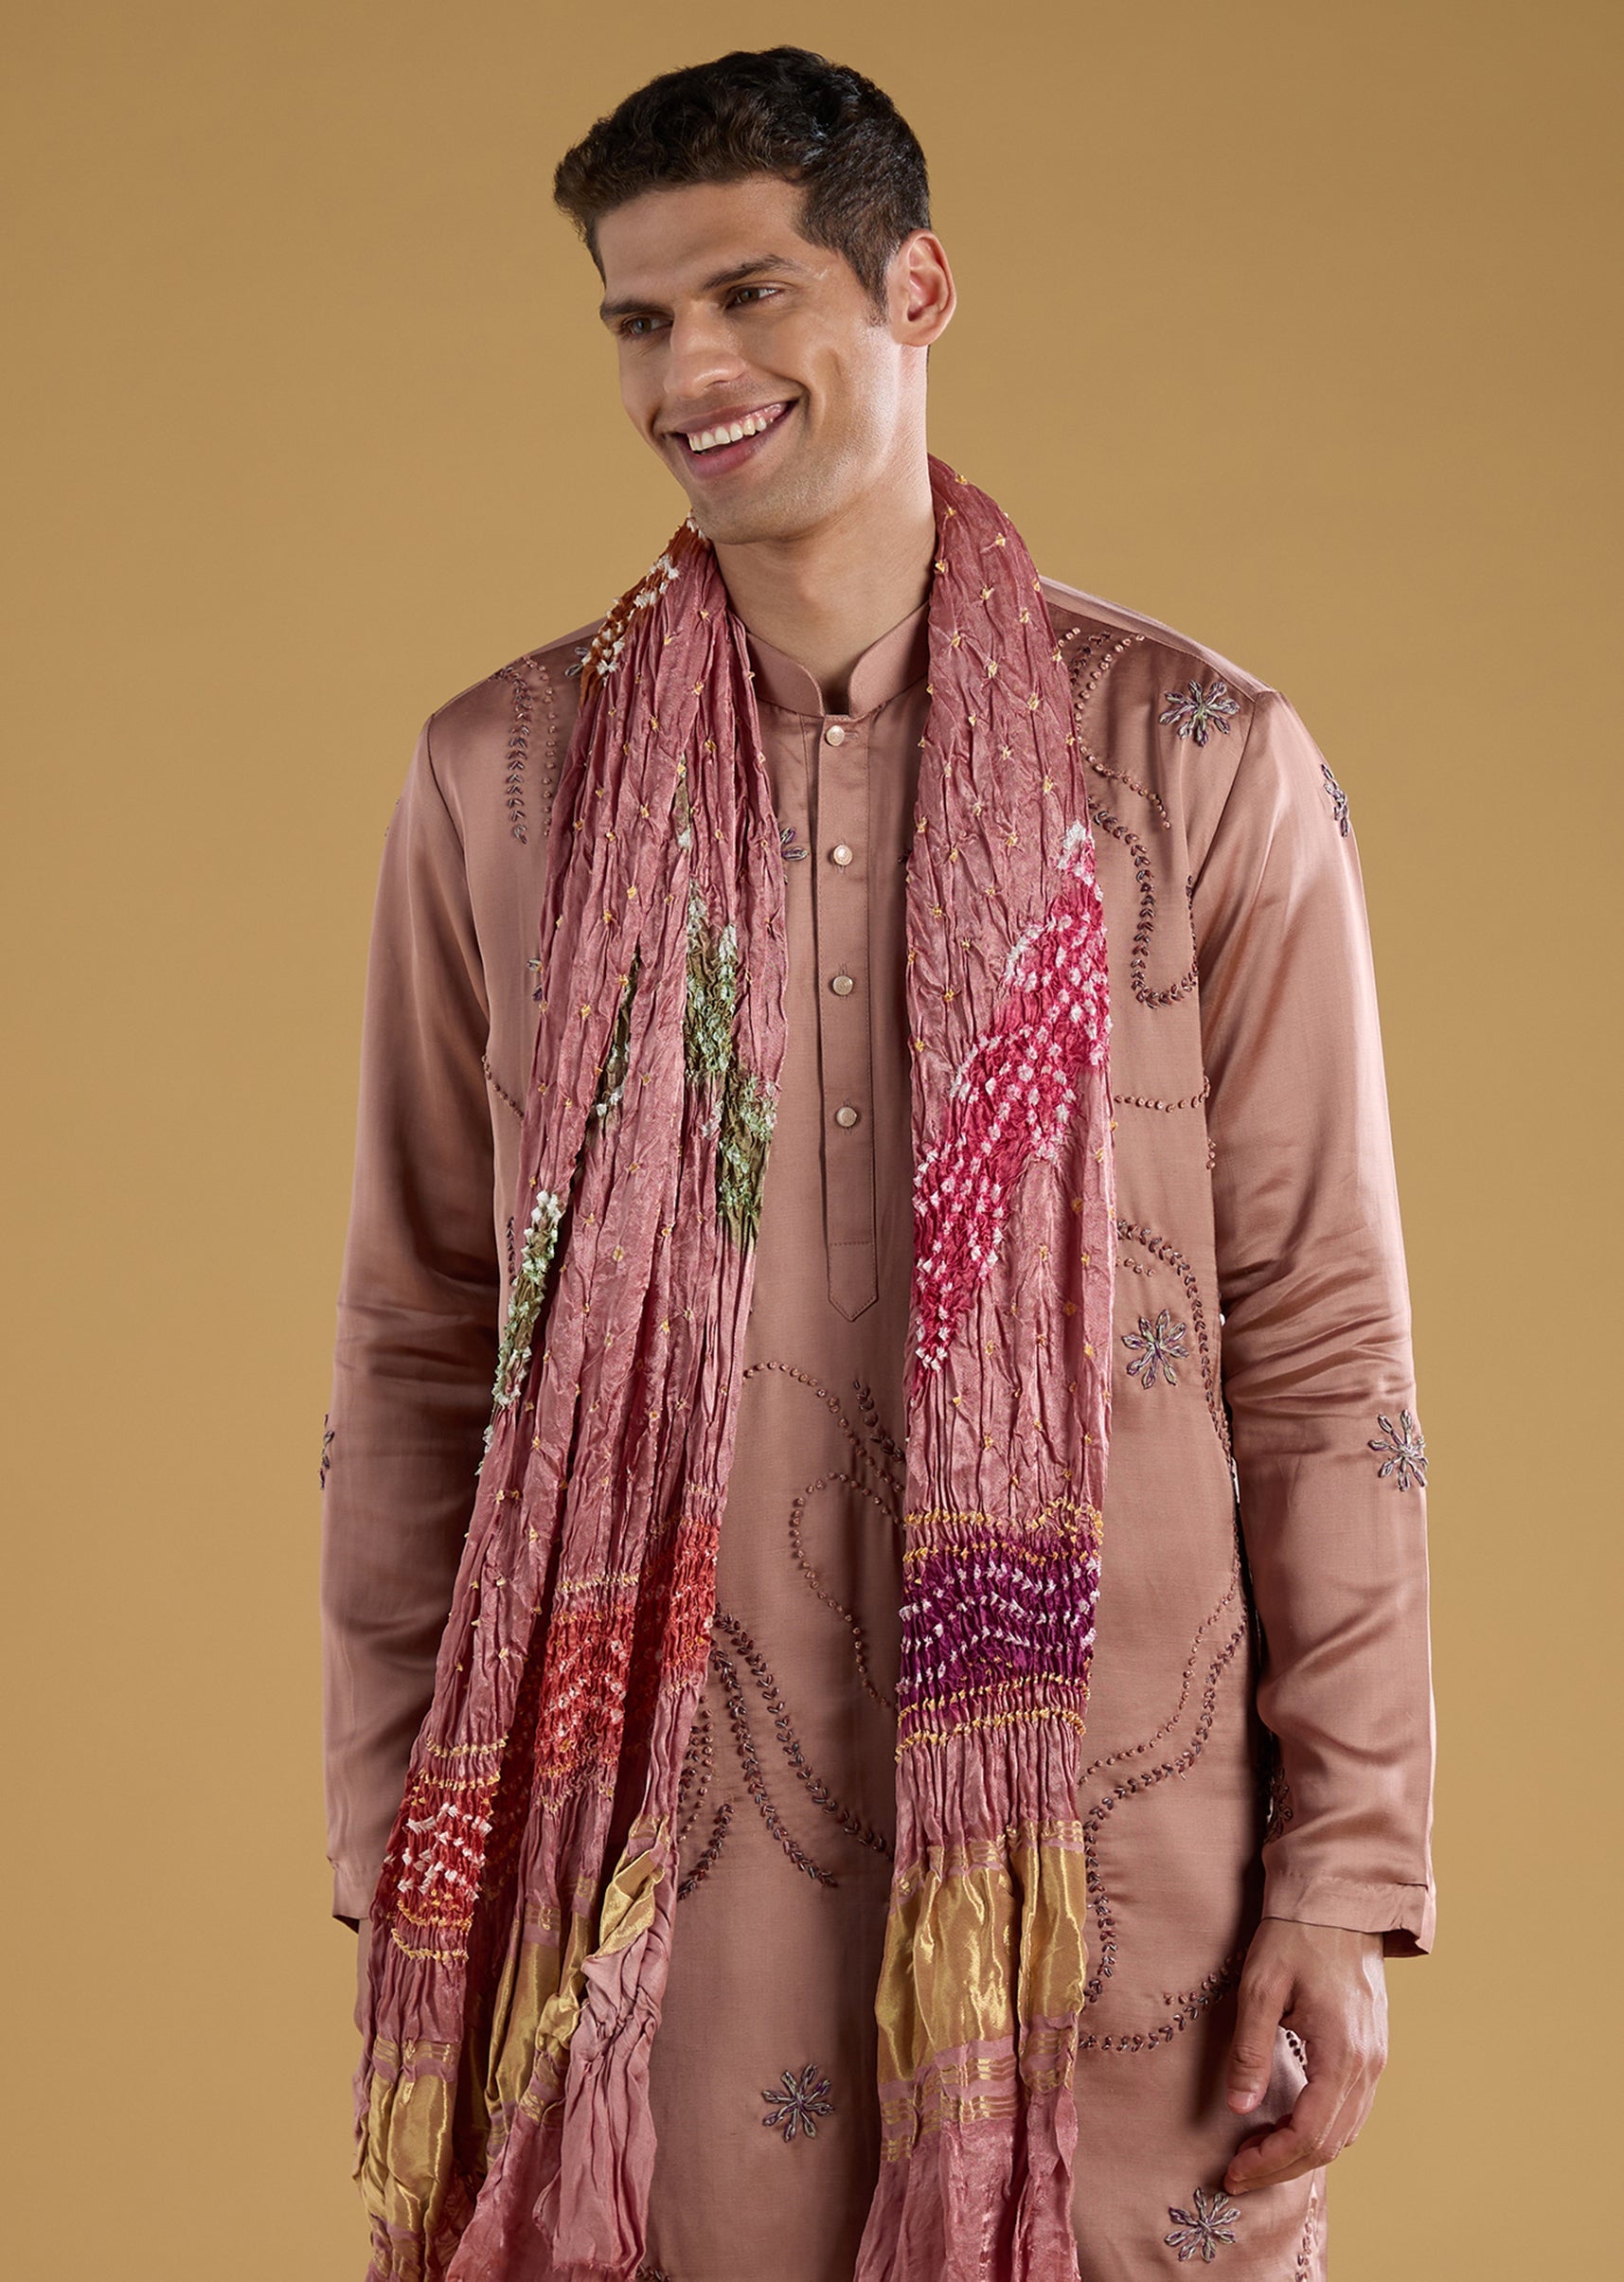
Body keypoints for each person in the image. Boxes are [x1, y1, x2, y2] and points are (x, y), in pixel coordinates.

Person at [319, 45, 1436, 2282]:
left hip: (1110, 1858)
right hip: (623, 1865)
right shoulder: (503, 783)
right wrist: (397, 1842)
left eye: (752, 297)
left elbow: (1325, 1337)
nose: (690, 376)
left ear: (916, 290)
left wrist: (1347, 1861)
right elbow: (420, 1343)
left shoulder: (1194, 762)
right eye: (641, 321)